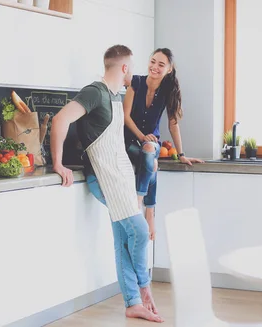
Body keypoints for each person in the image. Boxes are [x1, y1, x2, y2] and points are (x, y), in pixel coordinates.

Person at [50, 44, 164, 323]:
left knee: (124, 236)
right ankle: (144, 289)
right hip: (102, 176)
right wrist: (57, 163)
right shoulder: (95, 92)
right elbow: (60, 119)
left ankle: (133, 303)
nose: (133, 72)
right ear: (124, 68)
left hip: (119, 173)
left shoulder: (114, 95)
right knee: (137, 229)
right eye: (132, 67)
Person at [123, 48, 203, 241]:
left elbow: (173, 124)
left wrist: (181, 153)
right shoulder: (136, 83)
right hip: (130, 141)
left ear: (169, 69)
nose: (155, 67)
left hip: (151, 144)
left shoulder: (168, 91)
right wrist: (142, 136)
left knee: (150, 150)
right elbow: (125, 116)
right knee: (152, 163)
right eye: (153, 61)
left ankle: (139, 202)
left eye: (161, 64)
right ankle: (150, 212)